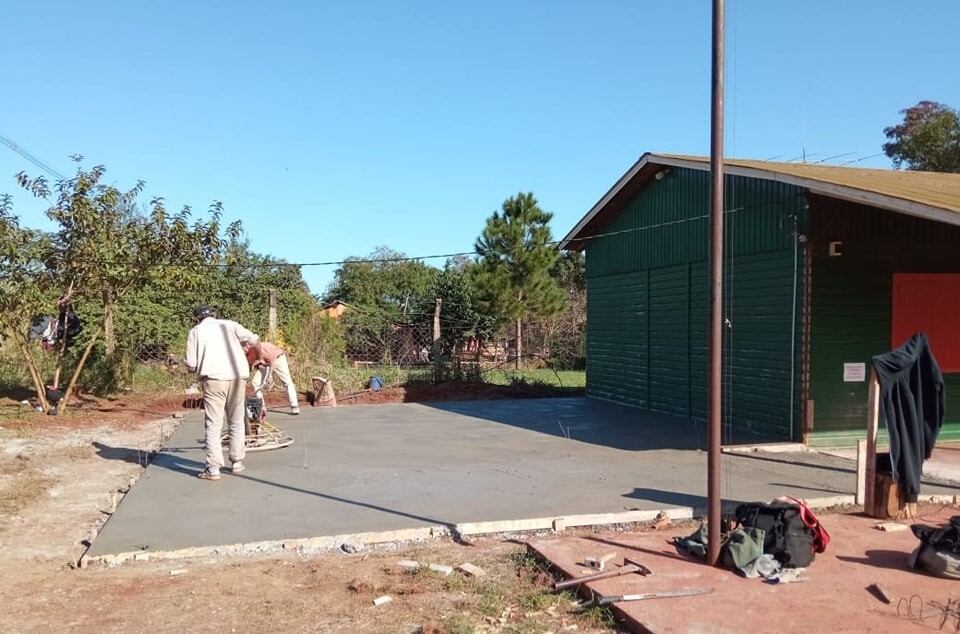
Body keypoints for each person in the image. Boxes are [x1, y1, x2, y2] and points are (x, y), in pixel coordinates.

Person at [184, 305, 261, 481]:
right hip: (238, 377)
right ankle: (237, 462)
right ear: (213, 315)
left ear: (197, 318)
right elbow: (254, 339)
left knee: (213, 423)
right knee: (236, 420)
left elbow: (191, 364)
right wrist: (258, 357)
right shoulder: (230, 325)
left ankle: (213, 469)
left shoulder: (195, 332)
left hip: (213, 379)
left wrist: (190, 366)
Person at [244, 340, 300, 414]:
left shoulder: (260, 348)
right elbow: (252, 365)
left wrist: (269, 376)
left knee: (287, 382)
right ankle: (261, 406)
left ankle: (294, 406)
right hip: (266, 364)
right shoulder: (247, 353)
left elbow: (272, 360)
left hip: (278, 359)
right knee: (255, 383)